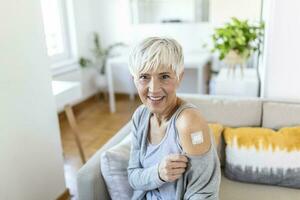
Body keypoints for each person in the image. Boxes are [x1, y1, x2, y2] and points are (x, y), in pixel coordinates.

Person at [127, 37, 220, 200]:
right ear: (134, 79)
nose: (154, 89)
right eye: (144, 77)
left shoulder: (189, 123)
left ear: (179, 77)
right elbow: (133, 177)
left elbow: (204, 193)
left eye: (164, 76)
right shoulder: (140, 117)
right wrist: (159, 173)